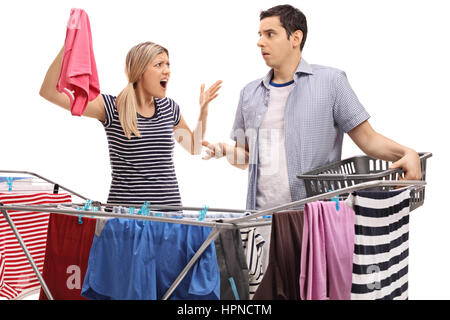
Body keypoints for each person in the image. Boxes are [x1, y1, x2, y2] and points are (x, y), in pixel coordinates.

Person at [202, 4, 421, 271]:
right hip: (260, 222)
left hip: (314, 219)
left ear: (296, 38)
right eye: (259, 34)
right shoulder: (250, 93)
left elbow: (367, 139)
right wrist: (225, 151)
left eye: (270, 34)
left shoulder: (331, 82)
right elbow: (245, 159)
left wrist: (405, 153)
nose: (260, 42)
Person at [39, 41, 222, 210]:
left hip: (169, 218)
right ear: (140, 71)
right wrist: (71, 43)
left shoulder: (169, 108)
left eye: (168, 64)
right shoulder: (112, 107)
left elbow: (194, 147)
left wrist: (203, 109)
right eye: (159, 65)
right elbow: (49, 92)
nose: (167, 71)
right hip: (126, 222)